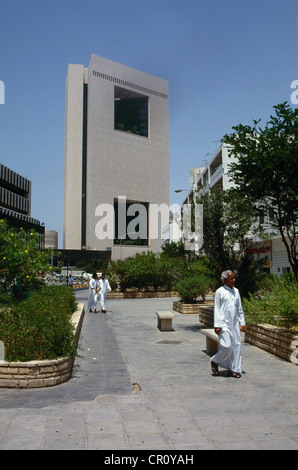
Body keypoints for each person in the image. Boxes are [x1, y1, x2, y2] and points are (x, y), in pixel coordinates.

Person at [211, 270, 246, 378]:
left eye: (234, 278)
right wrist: (217, 325)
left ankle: (233, 369)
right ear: (225, 280)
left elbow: (239, 308)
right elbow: (217, 308)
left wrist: (242, 322)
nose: (234, 280)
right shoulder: (219, 291)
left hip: (234, 324)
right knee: (227, 346)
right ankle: (215, 361)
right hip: (223, 324)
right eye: (231, 278)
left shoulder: (236, 291)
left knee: (236, 346)